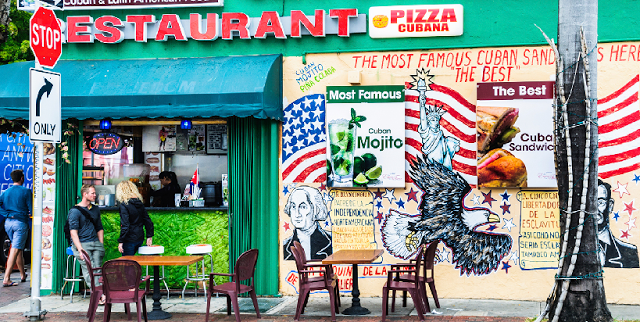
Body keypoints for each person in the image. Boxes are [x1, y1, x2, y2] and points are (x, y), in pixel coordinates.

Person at [68, 184, 106, 302]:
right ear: (85, 194)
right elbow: (73, 232)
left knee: (97, 269)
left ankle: (99, 293)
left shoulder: (95, 209)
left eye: (95, 193)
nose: (95, 195)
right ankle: (99, 295)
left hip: (96, 243)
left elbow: (99, 228)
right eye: (92, 193)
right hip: (83, 244)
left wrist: (101, 244)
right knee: (89, 269)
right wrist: (80, 249)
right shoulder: (74, 211)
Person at [596, 179, 639, 268]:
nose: (594, 210)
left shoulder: (629, 251)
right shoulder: (571, 250)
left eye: (600, 203)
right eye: (589, 204)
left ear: (610, 205)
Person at [282, 186, 332, 260]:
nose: (297, 214)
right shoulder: (285, 245)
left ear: (316, 210)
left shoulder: (331, 241)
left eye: (303, 207)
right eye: (293, 207)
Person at [0, 170, 31, 287]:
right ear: (22, 178)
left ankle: (23, 275)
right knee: (15, 248)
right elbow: (32, 208)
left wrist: (6, 214)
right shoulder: (26, 191)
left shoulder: (6, 192)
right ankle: (6, 278)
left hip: (8, 223)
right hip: (20, 223)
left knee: (18, 249)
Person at [116, 180, 154, 256]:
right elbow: (147, 220)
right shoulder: (139, 203)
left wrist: (121, 241)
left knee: (128, 264)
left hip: (129, 239)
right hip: (140, 237)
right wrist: (149, 236)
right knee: (133, 263)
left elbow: (125, 225)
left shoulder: (124, 205)